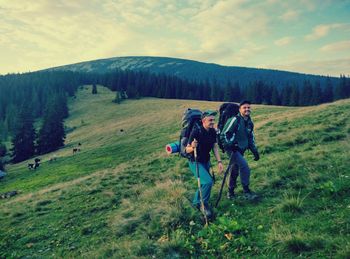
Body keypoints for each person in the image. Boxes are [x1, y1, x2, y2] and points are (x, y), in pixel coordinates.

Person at [186, 110, 224, 217]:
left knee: (203, 183)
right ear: (203, 121)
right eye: (210, 120)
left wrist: (219, 161)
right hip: (195, 162)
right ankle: (204, 204)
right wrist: (192, 147)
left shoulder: (212, 131)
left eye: (213, 120)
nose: (212, 122)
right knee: (208, 182)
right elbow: (187, 149)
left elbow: (214, 146)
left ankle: (195, 202)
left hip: (206, 161)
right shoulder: (196, 132)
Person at [220, 100, 260, 200]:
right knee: (244, 166)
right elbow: (224, 134)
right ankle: (246, 191)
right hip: (232, 149)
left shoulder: (249, 122)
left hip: (240, 149)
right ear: (240, 109)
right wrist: (230, 145)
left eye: (248, 107)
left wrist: (255, 151)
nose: (247, 109)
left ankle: (230, 192)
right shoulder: (235, 119)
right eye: (244, 107)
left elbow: (250, 138)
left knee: (234, 169)